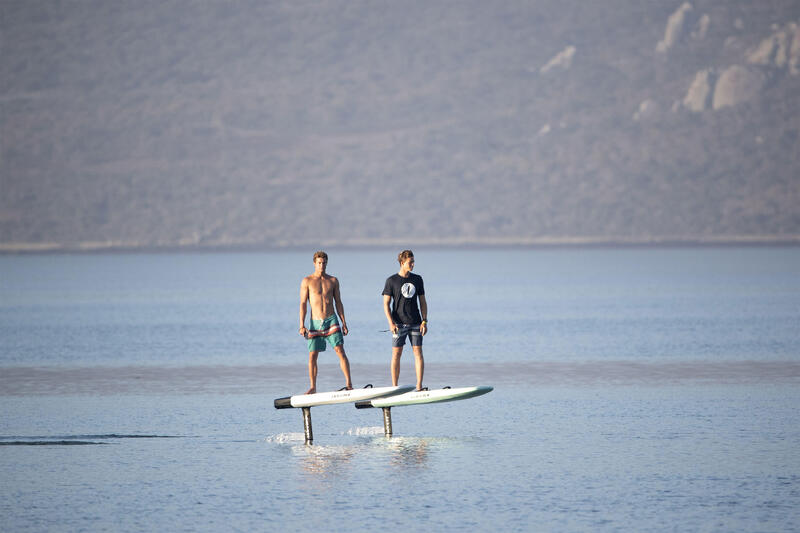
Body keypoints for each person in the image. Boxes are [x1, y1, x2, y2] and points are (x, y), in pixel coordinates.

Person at [299, 251, 353, 394]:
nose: (321, 265)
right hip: (315, 322)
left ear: (327, 263)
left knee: (340, 350)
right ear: (314, 263)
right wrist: (301, 325)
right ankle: (313, 387)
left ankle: (349, 384)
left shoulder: (333, 280)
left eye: (324, 263)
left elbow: (338, 302)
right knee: (313, 354)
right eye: (319, 263)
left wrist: (344, 322)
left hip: (331, 320)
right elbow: (303, 304)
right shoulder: (307, 281)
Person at [382, 250, 428, 390]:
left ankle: (419, 385)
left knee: (418, 352)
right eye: (410, 262)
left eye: (413, 262)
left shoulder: (417, 279)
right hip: (398, 324)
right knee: (396, 353)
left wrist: (424, 321)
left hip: (416, 322)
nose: (413, 264)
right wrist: (391, 323)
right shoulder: (391, 281)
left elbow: (423, 302)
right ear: (402, 263)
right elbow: (386, 304)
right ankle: (394, 387)